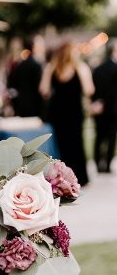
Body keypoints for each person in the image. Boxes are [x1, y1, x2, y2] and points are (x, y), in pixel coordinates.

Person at [40, 42, 94, 187]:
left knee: (61, 145)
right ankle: (80, 178)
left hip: (57, 111)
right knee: (77, 143)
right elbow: (89, 89)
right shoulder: (80, 68)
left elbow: (43, 90)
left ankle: (61, 179)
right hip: (74, 110)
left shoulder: (51, 67)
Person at [92, 41, 117, 174]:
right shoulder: (115, 68)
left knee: (99, 136)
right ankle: (107, 165)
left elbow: (93, 89)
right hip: (112, 109)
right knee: (111, 138)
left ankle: (97, 163)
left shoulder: (98, 68)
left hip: (98, 107)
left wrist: (96, 102)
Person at [7, 39, 44, 117]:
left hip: (21, 106)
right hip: (35, 107)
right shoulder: (36, 66)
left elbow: (11, 85)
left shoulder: (20, 65)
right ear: (34, 48)